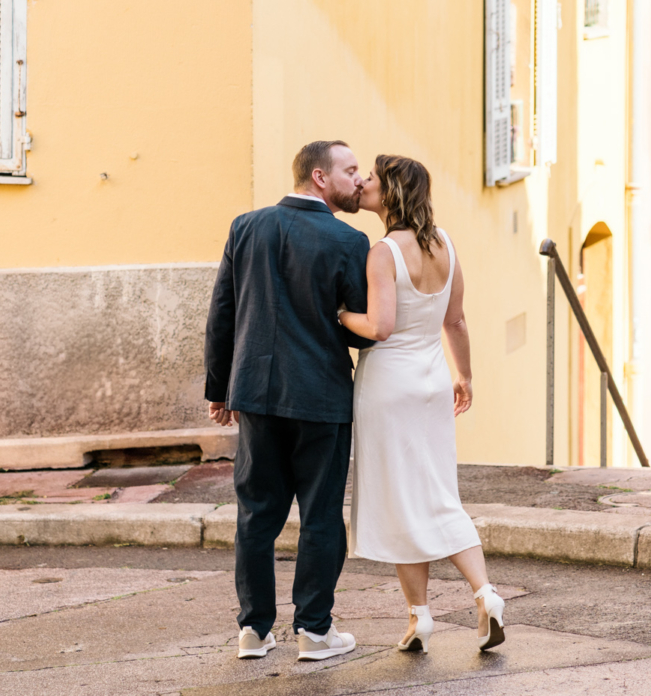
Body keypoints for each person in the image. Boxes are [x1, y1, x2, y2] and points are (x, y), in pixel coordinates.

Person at [204, 140, 372, 662]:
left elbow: (222, 313)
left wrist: (219, 389)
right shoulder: (349, 239)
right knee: (320, 515)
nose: (358, 181)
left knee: (256, 514)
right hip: (320, 394)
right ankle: (314, 631)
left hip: (253, 393)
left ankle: (253, 631)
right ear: (319, 178)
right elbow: (364, 330)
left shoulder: (245, 226)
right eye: (349, 171)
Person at [339, 153, 506, 653]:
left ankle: (423, 614)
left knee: (399, 498)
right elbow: (454, 321)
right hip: (433, 379)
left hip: (389, 385)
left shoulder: (383, 252)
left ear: (390, 193)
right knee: (436, 493)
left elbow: (379, 327)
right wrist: (466, 376)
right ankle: (477, 596)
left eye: (372, 177)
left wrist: (342, 314)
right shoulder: (446, 244)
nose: (364, 182)